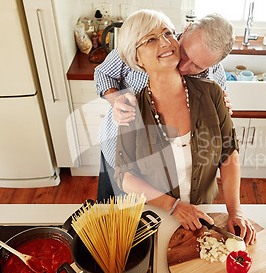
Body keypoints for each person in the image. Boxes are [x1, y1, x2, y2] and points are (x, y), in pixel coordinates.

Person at [113, 9, 256, 245]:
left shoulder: (212, 94)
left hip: (206, 214)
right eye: (150, 39)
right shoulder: (130, 108)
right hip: (158, 218)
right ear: (137, 58)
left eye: (168, 33)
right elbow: (124, 175)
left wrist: (235, 211)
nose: (166, 41)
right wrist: (175, 206)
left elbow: (229, 154)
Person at [94, 13, 233, 203]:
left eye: (197, 66)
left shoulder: (214, 74)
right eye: (185, 53)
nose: (183, 66)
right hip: (119, 149)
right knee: (112, 210)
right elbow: (102, 73)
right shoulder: (144, 45)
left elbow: (219, 120)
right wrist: (116, 100)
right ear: (183, 33)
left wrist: (223, 106)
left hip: (171, 167)